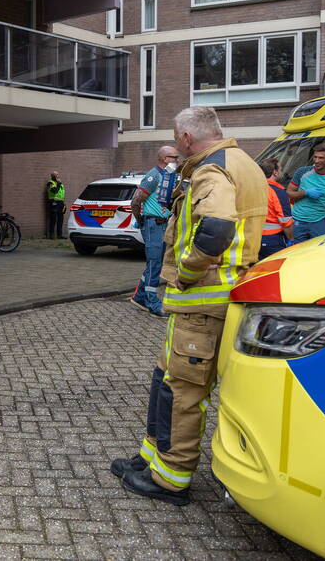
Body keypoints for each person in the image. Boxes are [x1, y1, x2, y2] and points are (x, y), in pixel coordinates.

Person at [110, 107, 266, 506]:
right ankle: (152, 458)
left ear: (184, 138)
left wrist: (189, 268)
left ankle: (171, 478)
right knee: (165, 379)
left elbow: (215, 227)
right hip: (204, 304)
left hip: (204, 301)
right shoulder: (243, 162)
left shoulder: (211, 171)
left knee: (182, 390)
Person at [129, 146, 180, 318]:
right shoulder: (153, 176)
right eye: (175, 157)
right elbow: (135, 201)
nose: (177, 161)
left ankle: (139, 297)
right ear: (165, 159)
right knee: (155, 264)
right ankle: (152, 303)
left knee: (155, 262)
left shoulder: (167, 176)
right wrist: (142, 221)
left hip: (162, 225)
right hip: (153, 225)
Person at [287, 143, 325, 242]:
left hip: (319, 222)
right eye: (315, 157)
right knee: (296, 253)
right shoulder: (302, 172)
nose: (316, 161)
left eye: (321, 158)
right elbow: (289, 193)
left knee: (319, 253)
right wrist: (305, 193)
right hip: (298, 221)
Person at [259, 158, 294, 259]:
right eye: (281, 169)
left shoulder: (256, 188)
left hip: (255, 237)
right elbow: (285, 220)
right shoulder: (278, 191)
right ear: (275, 172)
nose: (281, 172)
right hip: (273, 240)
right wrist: (291, 239)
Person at [45, 171, 66, 239]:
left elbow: (62, 194)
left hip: (61, 203)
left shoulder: (60, 183)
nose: (57, 175)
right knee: (53, 219)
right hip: (53, 202)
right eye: (56, 174)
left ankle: (59, 235)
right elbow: (55, 191)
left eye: (58, 174)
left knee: (60, 219)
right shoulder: (50, 183)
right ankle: (51, 235)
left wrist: (63, 203)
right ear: (52, 176)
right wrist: (59, 184)